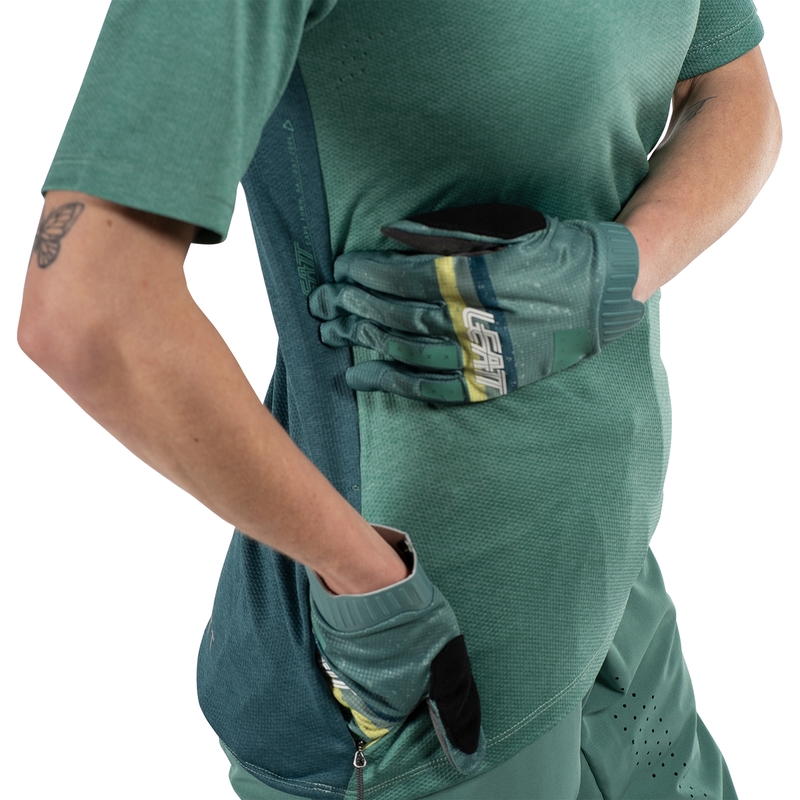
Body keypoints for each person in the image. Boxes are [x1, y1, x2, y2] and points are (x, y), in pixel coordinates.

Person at [18, 1, 781, 798]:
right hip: (429, 682)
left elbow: (731, 87)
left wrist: (623, 265)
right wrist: (365, 583)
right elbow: (87, 307)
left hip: (613, 572)